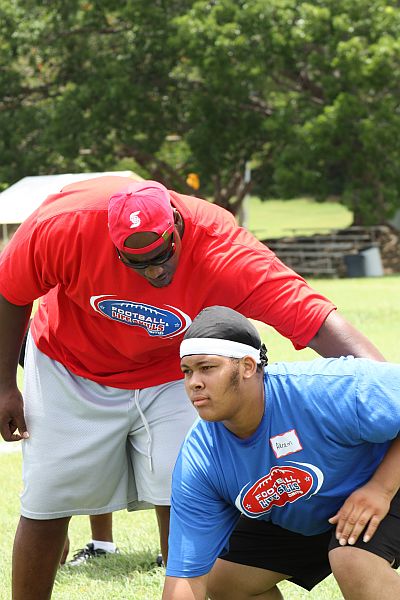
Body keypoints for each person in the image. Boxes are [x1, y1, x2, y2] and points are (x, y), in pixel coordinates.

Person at [0, 176, 386, 600]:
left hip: (176, 370)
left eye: (162, 255)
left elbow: (309, 315)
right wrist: (3, 385)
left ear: (178, 227)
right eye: (136, 262)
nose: (153, 271)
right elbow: (9, 290)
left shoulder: (223, 247)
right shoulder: (63, 224)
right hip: (69, 359)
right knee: (47, 500)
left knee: (182, 488)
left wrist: (383, 385)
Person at [163, 306, 400, 600]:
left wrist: (381, 488)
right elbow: (185, 578)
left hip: (388, 485)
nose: (193, 382)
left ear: (248, 367)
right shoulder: (200, 458)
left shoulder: (324, 389)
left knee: (353, 559)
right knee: (222, 578)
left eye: (207, 368)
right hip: (308, 513)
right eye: (187, 371)